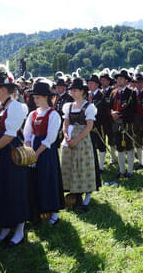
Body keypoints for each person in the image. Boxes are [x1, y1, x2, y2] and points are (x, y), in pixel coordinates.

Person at [0, 70, 30, 247]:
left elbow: (9, 135)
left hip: (10, 151)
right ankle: (5, 224)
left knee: (14, 188)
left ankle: (19, 228)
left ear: (3, 88)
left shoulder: (17, 107)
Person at [23, 81, 65, 225]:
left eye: (37, 98)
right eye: (34, 98)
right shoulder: (32, 114)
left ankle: (53, 212)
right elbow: (27, 134)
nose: (35, 100)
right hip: (33, 150)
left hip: (46, 152)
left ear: (46, 97)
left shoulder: (54, 115)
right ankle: (37, 210)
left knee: (48, 179)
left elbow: (50, 139)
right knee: (34, 180)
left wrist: (36, 154)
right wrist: (29, 151)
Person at [61, 78, 97, 213]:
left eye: (75, 90)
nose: (73, 92)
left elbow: (89, 127)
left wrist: (76, 139)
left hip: (81, 140)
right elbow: (65, 124)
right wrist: (66, 136)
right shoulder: (68, 106)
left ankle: (85, 195)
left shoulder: (89, 107)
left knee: (82, 166)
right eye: (72, 90)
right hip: (69, 139)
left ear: (83, 91)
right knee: (70, 165)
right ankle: (73, 193)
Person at [109, 69, 137, 178]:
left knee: (129, 147)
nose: (119, 80)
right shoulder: (113, 92)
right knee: (119, 147)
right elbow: (109, 107)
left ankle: (130, 170)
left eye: (121, 78)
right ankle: (121, 170)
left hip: (126, 123)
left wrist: (120, 115)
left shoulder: (131, 93)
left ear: (126, 80)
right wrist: (111, 113)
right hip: (115, 123)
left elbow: (133, 110)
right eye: (118, 78)